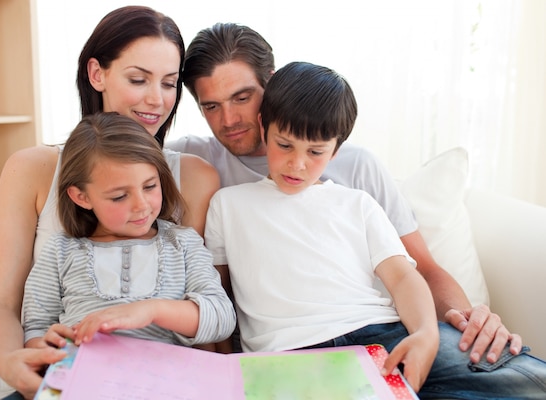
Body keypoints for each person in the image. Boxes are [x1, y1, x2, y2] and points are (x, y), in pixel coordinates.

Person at [167, 22, 522, 364]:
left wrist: (468, 322)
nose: (228, 120)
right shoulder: (196, 164)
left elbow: (421, 270)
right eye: (210, 106)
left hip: (378, 330)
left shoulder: (356, 168)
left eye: (241, 97)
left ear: (272, 86)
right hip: (291, 347)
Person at [205, 60, 546, 398]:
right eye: (284, 145)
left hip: (385, 335)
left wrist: (426, 333)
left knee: (530, 381)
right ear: (264, 126)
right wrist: (220, 372)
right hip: (290, 356)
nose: (298, 163)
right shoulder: (227, 204)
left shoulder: (359, 203)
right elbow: (216, 297)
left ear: (337, 149)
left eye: (315, 151)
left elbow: (402, 277)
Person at [0, 6, 220, 400]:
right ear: (97, 74)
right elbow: (0, 304)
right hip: (55, 378)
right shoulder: (32, 168)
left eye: (170, 83)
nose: (156, 100)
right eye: (139, 79)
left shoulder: (193, 176)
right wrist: (10, 358)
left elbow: (206, 310)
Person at [23, 112, 235, 354]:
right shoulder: (60, 250)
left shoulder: (183, 243)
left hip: (163, 381)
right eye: (119, 196)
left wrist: (151, 311)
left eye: (150, 186)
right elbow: (35, 326)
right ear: (81, 197)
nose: (141, 205)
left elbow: (221, 317)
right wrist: (45, 344)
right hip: (85, 378)